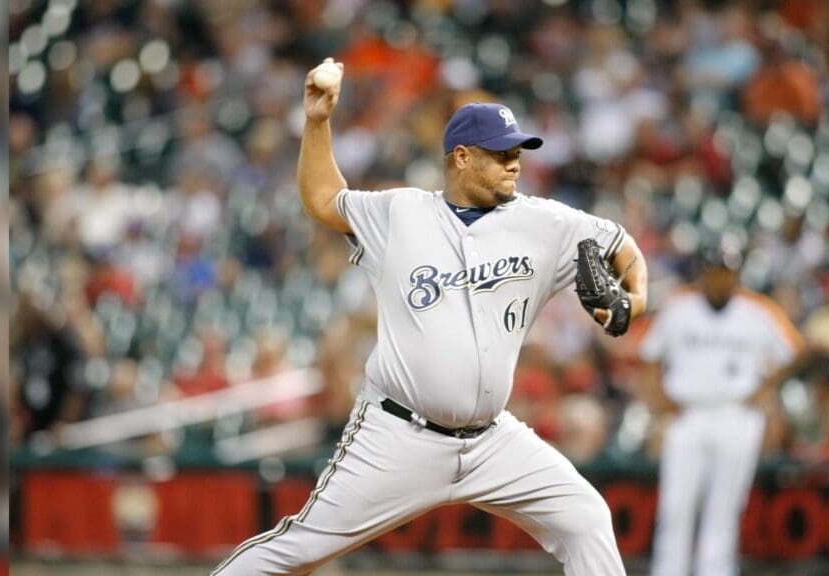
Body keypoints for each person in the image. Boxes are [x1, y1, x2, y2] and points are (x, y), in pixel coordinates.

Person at [211, 59, 649, 576]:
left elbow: (625, 250)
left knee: (585, 519)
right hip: (398, 436)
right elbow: (323, 198)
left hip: (493, 441)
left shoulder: (546, 222)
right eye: (502, 153)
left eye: (519, 153)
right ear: (462, 157)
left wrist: (630, 302)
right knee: (297, 551)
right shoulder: (402, 213)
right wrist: (317, 121)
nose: (515, 164)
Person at [638, 248, 804, 576]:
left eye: (727, 271)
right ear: (702, 273)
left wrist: (764, 389)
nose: (720, 278)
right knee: (675, 506)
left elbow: (794, 351)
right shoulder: (678, 308)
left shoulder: (757, 311)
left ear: (737, 274)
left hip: (736, 414)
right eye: (714, 270)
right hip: (687, 414)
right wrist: (659, 406)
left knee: (724, 509)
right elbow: (650, 357)